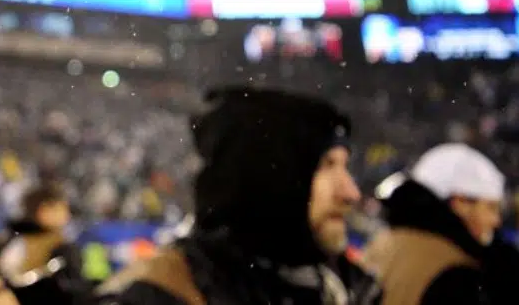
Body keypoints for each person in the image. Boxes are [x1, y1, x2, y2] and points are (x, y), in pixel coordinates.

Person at [99, 87, 379, 305]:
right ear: (273, 178)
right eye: (326, 165)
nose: (351, 193)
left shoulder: (353, 288)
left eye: (345, 167)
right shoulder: (163, 293)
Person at [367, 144, 519, 305]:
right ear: (460, 203)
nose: (496, 220)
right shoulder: (455, 274)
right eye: (490, 208)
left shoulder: (381, 245)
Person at [0, 181, 93, 304]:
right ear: (43, 211)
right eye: (61, 209)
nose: (67, 215)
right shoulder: (18, 241)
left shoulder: (11, 238)